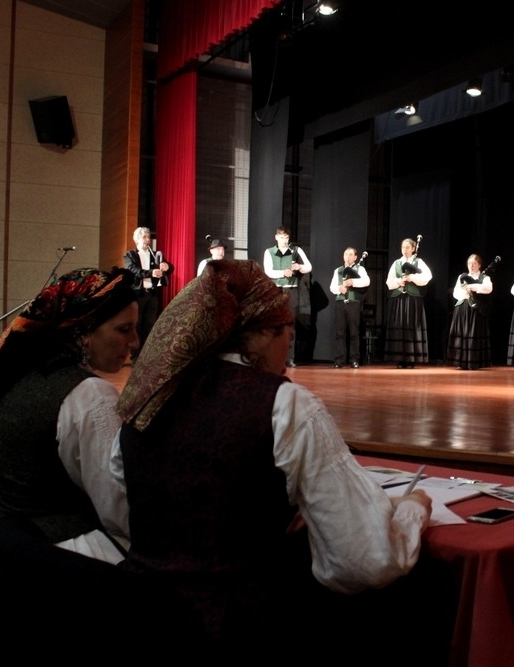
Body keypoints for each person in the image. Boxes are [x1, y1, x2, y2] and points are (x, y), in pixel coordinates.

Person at [115, 259, 432, 641]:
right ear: (265, 332)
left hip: (137, 613)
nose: (289, 346)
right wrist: (414, 509)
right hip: (238, 625)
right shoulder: (285, 404)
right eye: (288, 333)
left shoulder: (148, 395)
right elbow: (365, 561)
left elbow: (125, 496)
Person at [0, 268, 138, 564]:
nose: (134, 342)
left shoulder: (21, 376)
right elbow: (117, 506)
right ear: (82, 331)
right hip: (52, 553)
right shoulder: (90, 395)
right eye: (123, 329)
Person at [264, 227, 312, 368]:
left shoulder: (296, 250)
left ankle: (289, 358)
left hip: (291, 290)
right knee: (274, 323)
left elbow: (308, 267)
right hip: (275, 290)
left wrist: (299, 267)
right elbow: (268, 271)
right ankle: (272, 356)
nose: (284, 240)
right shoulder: (269, 252)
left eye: (286, 237)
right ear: (276, 237)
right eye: (281, 237)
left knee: (290, 324)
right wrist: (283, 273)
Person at [124, 226, 173, 360]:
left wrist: (166, 266)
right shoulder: (130, 255)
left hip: (152, 295)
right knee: (137, 325)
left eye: (148, 237)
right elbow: (134, 271)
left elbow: (169, 267)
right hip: (138, 295)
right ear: (137, 239)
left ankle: (147, 356)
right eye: (144, 237)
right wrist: (151, 273)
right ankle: (136, 356)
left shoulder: (154, 254)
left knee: (150, 325)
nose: (148, 240)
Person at [385, 237, 432, 368]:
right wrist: (399, 282)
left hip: (413, 300)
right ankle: (400, 359)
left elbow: (427, 277)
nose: (404, 250)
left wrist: (412, 278)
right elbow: (389, 282)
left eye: (407, 247)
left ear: (413, 249)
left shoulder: (419, 262)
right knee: (399, 329)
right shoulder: (396, 263)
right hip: (399, 299)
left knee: (411, 329)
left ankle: (411, 359)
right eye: (403, 247)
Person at [446, 254, 493, 370]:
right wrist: (465, 293)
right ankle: (460, 361)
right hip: (462, 309)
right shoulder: (462, 276)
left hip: (475, 311)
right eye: (469, 264)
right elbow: (455, 293)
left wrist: (472, 287)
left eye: (474, 264)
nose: (471, 266)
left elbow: (488, 288)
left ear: (479, 265)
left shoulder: (484, 277)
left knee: (473, 335)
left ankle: (473, 361)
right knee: (461, 334)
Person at [329, 246, 370, 368]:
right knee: (339, 333)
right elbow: (332, 287)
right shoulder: (338, 270)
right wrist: (339, 289)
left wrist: (353, 282)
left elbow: (366, 281)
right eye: (346, 254)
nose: (348, 257)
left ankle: (354, 359)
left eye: (351, 254)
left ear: (356, 257)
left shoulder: (360, 269)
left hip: (353, 303)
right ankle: (339, 360)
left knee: (354, 332)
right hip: (340, 303)